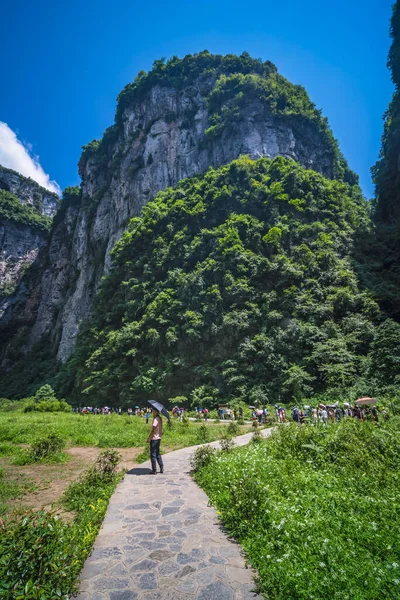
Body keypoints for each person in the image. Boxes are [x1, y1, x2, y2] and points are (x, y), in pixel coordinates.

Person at [146, 408, 164, 475]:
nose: (152, 411)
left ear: (156, 411)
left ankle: (154, 470)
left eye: (153, 410)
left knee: (153, 455)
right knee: (158, 453)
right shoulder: (160, 418)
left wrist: (149, 438)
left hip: (154, 439)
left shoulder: (156, 419)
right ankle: (161, 467)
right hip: (159, 438)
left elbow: (153, 430)